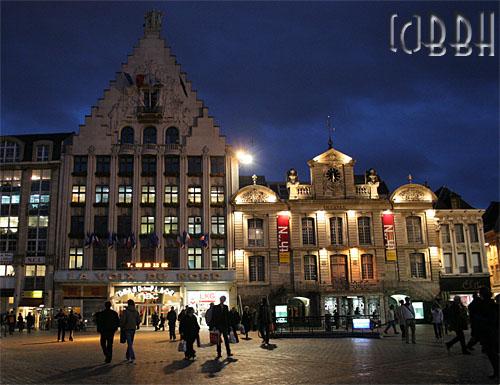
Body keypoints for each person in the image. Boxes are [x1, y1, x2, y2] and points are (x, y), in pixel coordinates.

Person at [477, 287, 499, 379]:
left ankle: (497, 371)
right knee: (493, 353)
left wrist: (479, 318)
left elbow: (490, 319)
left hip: (489, 332)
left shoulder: (485, 305)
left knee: (492, 353)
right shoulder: (492, 304)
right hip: (493, 331)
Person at [120, 299, 141, 363]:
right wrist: (137, 325)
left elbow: (123, 320)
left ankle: (132, 356)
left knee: (129, 343)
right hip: (133, 328)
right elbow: (138, 320)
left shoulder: (126, 311)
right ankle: (128, 355)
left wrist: (121, 325)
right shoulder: (136, 311)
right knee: (130, 343)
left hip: (127, 328)